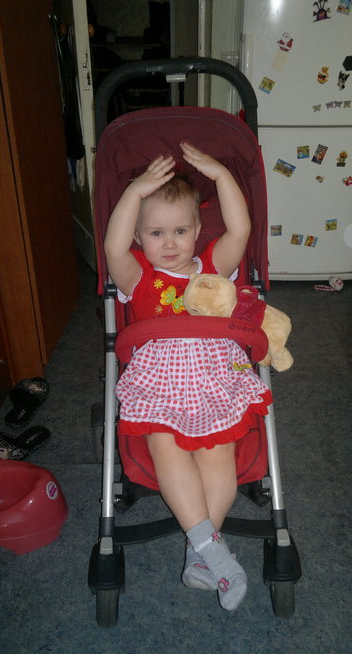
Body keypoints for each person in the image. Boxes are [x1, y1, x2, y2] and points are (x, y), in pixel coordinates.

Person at [104, 141, 271, 610]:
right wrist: (134, 192)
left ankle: (201, 555)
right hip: (162, 380)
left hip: (213, 375)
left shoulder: (214, 269)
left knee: (219, 456)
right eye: (156, 233)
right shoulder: (138, 276)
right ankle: (213, 553)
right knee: (166, 446)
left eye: (180, 230)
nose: (170, 243)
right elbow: (112, 245)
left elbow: (241, 228)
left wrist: (221, 175)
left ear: (198, 230)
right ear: (139, 236)